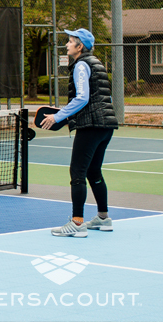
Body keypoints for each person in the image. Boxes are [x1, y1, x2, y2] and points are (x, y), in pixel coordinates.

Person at [39, 28, 118, 237]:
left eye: (70, 41)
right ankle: (103, 218)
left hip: (91, 126)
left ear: (79, 46)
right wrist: (71, 116)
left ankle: (77, 223)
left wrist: (58, 116)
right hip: (106, 126)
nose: (66, 45)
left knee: (77, 173)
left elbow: (82, 98)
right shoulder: (97, 63)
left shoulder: (81, 65)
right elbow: (101, 99)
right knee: (94, 172)